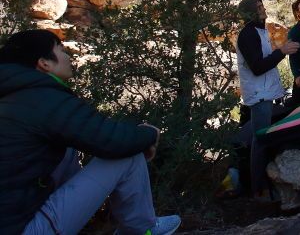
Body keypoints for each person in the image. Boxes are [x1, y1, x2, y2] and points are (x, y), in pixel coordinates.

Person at [0, 29, 181, 235]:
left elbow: (90, 134)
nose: (69, 56)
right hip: (22, 229)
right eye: (61, 50)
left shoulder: (12, 94)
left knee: (64, 147)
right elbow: (113, 140)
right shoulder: (41, 98)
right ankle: (143, 230)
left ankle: (89, 221)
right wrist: (149, 134)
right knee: (128, 156)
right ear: (45, 63)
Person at [235, 0, 299, 201]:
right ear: (250, 13)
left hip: (264, 92)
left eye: (262, 6)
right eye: (259, 7)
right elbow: (257, 67)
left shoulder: (259, 32)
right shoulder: (247, 35)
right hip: (259, 95)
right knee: (260, 139)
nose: (263, 10)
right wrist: (282, 51)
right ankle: (259, 190)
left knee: (261, 137)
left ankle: (262, 186)